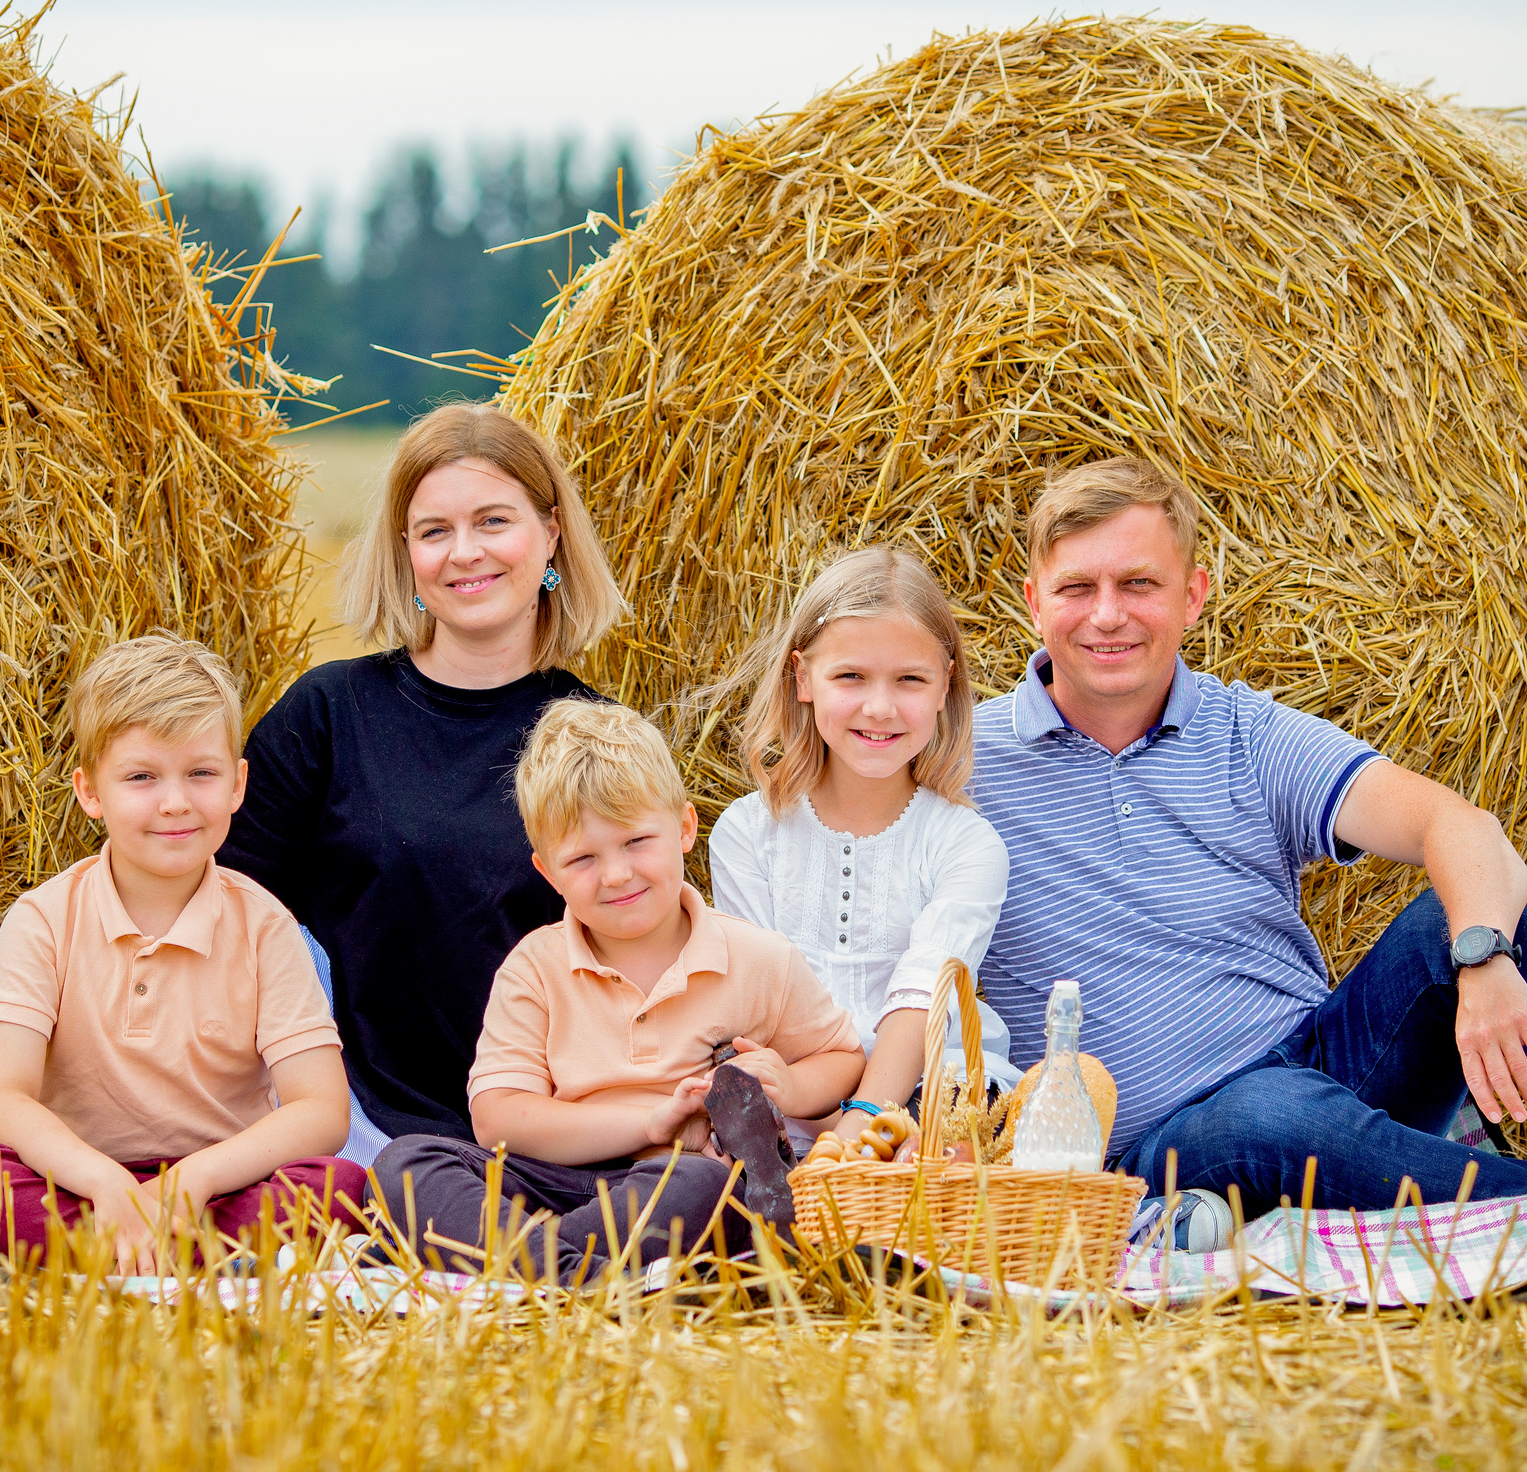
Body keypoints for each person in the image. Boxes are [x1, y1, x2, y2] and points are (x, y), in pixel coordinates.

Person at [970, 457, 1527, 1241]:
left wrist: (1483, 959)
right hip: (1162, 1140)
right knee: (1262, 1116)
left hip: (1330, 1065)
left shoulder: (1247, 734)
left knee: (1460, 910)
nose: (1108, 613)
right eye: (1077, 586)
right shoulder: (960, 762)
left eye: (1139, 584)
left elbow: (1464, 830)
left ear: (1193, 596)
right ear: (1033, 600)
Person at [217, 404, 625, 1161]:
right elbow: (223, 917)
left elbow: (642, 955)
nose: (464, 552)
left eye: (494, 521)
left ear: (551, 535)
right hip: (342, 1128)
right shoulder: (327, 715)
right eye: (434, 531)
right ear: (405, 554)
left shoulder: (598, 738)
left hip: (540, 1131)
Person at [0, 634, 363, 1271]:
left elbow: (321, 1109)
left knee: (338, 1190)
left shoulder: (266, 927)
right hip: (79, 1180)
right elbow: (1, 1099)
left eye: (201, 773)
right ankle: (169, 1250)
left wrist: (189, 1183)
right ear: (90, 792)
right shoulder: (42, 919)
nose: (175, 801)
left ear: (237, 784)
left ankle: (120, 1253)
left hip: (218, 1184)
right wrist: (106, 1184)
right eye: (142, 777)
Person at [370, 700, 864, 1282]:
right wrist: (651, 1123)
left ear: (685, 828)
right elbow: (498, 1119)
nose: (617, 875)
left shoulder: (758, 958)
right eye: (582, 858)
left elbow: (844, 1056)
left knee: (711, 1188)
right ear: (547, 872)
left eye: (635, 842)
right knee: (404, 1163)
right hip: (552, 1179)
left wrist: (795, 1082)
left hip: (670, 1186)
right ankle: (586, 1277)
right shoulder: (536, 967)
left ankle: (527, 1268)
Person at [706, 546, 1017, 1157]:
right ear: (803, 679)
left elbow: (921, 1001)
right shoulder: (748, 833)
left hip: (925, 1085)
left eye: (910, 679)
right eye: (850, 677)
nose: (880, 707)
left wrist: (862, 1122)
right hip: (797, 1085)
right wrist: (810, 1109)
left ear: (944, 683)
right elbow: (759, 1003)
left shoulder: (964, 843)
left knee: (959, 1124)